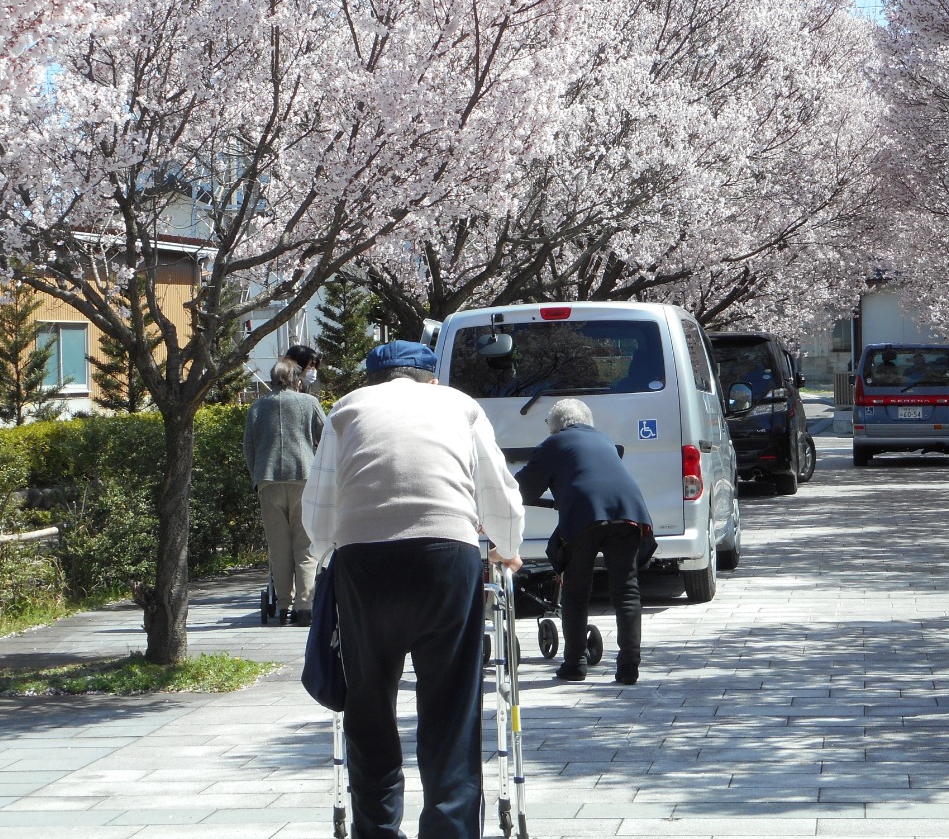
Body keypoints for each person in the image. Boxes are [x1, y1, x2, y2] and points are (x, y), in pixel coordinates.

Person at [302, 339, 523, 839]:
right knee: (450, 705)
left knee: (368, 704)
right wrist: (506, 546)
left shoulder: (346, 409)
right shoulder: (460, 406)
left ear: (373, 380)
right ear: (433, 379)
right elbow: (497, 492)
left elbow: (318, 514)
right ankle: (450, 830)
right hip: (446, 558)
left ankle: (377, 830)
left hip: (365, 564)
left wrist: (328, 552)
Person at [515, 398, 656, 685]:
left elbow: (523, 490)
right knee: (627, 591)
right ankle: (629, 665)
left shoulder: (553, 444)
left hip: (585, 517)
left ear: (554, 427)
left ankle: (575, 663)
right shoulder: (604, 440)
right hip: (629, 515)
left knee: (576, 591)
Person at [243, 358, 327, 626]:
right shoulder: (308, 403)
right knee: (305, 545)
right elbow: (326, 436)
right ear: (295, 379)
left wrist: (257, 474)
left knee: (279, 547)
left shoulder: (257, 407)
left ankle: (283, 607)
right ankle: (305, 607)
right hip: (303, 477)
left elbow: (249, 446)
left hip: (268, 480)